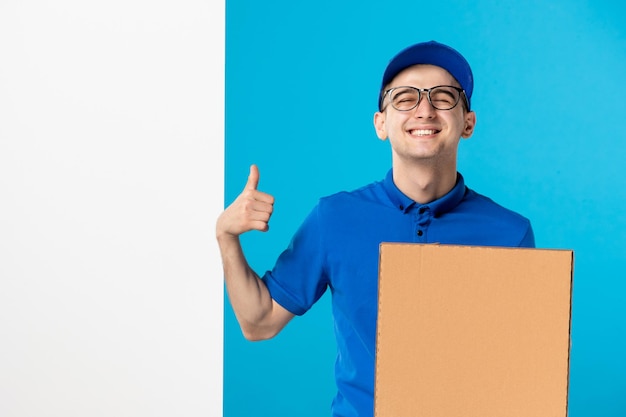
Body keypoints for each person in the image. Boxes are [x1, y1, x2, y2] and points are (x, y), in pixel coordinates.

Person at [216, 40, 535, 417]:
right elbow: (260, 322)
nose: (425, 110)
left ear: (468, 123)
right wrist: (226, 236)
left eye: (444, 97)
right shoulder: (335, 217)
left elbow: (520, 369)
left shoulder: (510, 234)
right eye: (405, 98)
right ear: (381, 124)